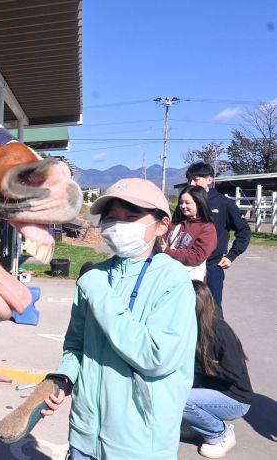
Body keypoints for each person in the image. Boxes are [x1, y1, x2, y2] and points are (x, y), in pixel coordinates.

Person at [41, 178, 197, 460]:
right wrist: (64, 377)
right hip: (84, 435)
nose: (118, 225)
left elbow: (155, 356)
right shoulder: (95, 277)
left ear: (162, 224)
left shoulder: (172, 280)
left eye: (132, 217)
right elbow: (76, 344)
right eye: (111, 219)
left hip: (139, 443)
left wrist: (100, 293)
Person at [183, 281, 252, 458]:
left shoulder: (219, 330)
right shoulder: (191, 327)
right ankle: (199, 425)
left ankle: (219, 433)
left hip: (235, 398)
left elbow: (233, 373)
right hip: (210, 389)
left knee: (181, 399)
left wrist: (199, 368)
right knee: (173, 390)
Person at [185, 162, 251, 310]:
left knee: (212, 310)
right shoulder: (185, 203)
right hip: (186, 264)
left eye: (196, 179)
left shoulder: (224, 203)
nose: (191, 183)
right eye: (189, 179)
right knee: (185, 307)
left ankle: (215, 334)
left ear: (209, 180)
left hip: (212, 266)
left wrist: (231, 255)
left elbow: (244, 231)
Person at [160, 185, 217, 281]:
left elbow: (197, 256)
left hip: (189, 280)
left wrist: (168, 250)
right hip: (167, 276)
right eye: (181, 202)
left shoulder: (207, 228)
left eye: (187, 203)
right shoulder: (175, 223)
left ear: (199, 203)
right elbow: (161, 241)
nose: (183, 206)